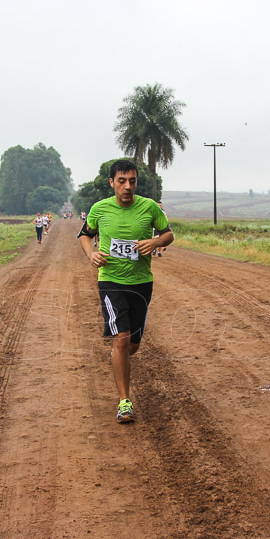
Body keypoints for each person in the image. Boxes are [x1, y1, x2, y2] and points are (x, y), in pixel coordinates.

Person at [78, 159, 173, 423]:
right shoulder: (100, 209)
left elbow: (168, 235)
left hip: (141, 282)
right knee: (121, 338)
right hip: (110, 281)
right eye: (122, 181)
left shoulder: (150, 207)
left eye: (132, 181)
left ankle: (118, 358)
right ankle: (124, 402)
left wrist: (155, 241)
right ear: (112, 183)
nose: (127, 186)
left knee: (133, 344)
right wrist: (91, 253)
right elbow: (85, 235)